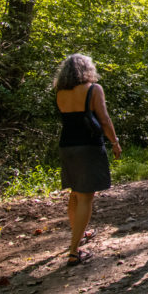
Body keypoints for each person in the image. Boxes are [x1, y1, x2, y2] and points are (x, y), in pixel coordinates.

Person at [54, 54, 122, 266]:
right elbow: (103, 118)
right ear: (87, 69)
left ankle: (78, 235)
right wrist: (114, 141)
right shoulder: (93, 89)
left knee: (75, 193)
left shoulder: (60, 92)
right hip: (88, 145)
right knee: (86, 197)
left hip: (67, 145)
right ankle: (74, 251)